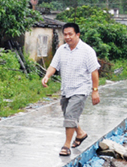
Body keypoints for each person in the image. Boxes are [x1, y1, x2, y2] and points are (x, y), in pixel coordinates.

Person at [41, 22, 101, 157]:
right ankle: (80, 133)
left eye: (70, 34)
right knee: (69, 115)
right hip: (66, 89)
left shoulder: (87, 51)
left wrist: (95, 90)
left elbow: (94, 72)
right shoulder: (61, 50)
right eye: (65, 34)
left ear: (77, 35)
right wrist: (47, 76)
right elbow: (53, 66)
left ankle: (66, 145)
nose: (67, 37)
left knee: (70, 115)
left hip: (81, 89)